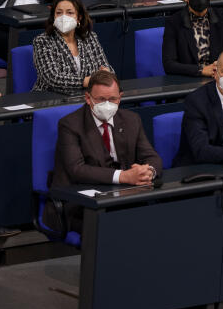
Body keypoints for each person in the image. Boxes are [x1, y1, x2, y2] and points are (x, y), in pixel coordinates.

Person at [45, 70, 162, 233]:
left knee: (155, 219)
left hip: (122, 198)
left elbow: (151, 156)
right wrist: (124, 176)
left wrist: (148, 171)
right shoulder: (70, 125)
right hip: (81, 203)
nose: (107, 104)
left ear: (120, 97)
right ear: (88, 98)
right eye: (101, 99)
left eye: (112, 99)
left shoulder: (131, 120)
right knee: (117, 228)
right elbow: (77, 170)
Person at [31, 0, 113, 96]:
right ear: (53, 17)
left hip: (87, 96)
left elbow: (106, 67)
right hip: (51, 98)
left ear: (79, 18)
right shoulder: (42, 41)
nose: (63, 17)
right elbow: (52, 78)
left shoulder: (90, 37)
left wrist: (106, 72)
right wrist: (85, 81)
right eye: (59, 13)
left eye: (69, 13)